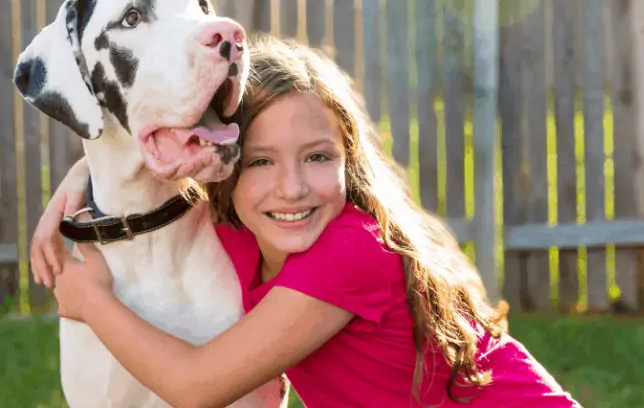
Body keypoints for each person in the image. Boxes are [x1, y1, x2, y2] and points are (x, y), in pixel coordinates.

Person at [31, 35, 581, 408]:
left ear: (349, 160)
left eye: (318, 158)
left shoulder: (352, 251)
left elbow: (195, 387)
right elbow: (145, 170)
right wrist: (73, 186)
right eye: (261, 161)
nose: (291, 188)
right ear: (222, 163)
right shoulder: (243, 231)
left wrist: (90, 301)